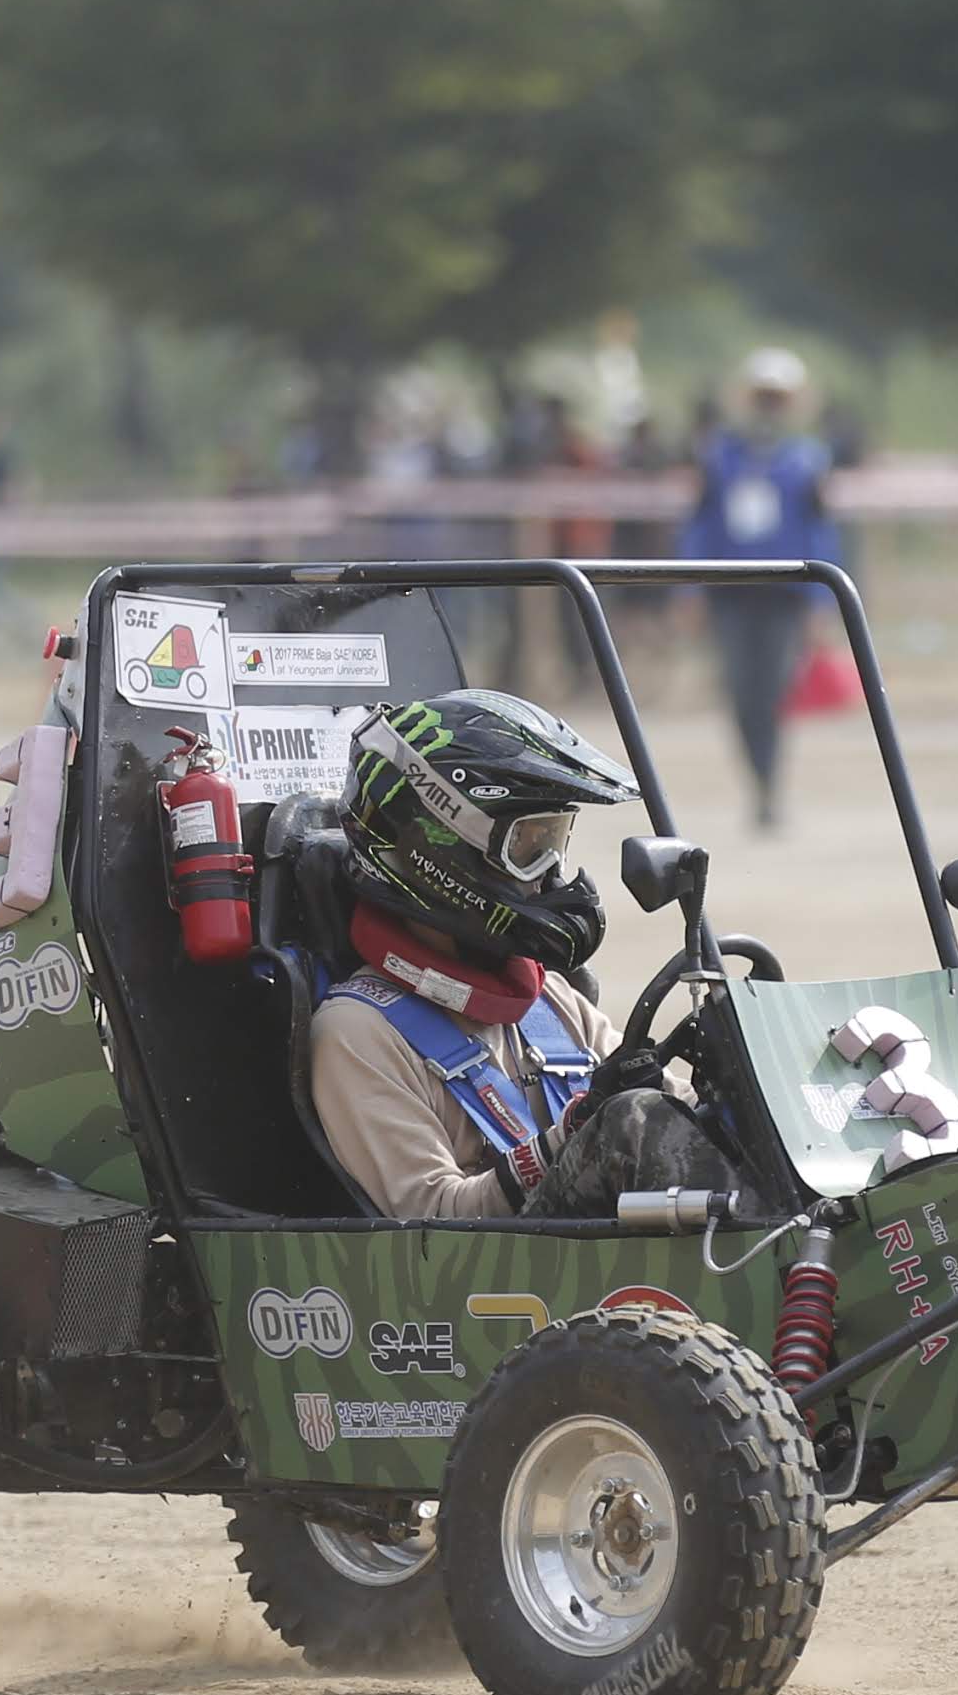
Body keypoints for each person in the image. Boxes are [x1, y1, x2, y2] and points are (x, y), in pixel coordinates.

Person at [306, 691, 740, 1219]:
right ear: (436, 852)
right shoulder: (357, 1031)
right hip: (484, 1286)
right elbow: (430, 1220)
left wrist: (726, 1088)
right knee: (627, 1121)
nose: (552, 875)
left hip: (608, 1273)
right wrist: (575, 1134)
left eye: (554, 842)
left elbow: (683, 1121)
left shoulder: (548, 998)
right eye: (529, 848)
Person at [690, 350, 843, 830]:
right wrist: (688, 587)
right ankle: (756, 780)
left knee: (774, 693)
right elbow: (699, 525)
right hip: (731, 593)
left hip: (784, 595)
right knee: (739, 691)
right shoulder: (719, 457)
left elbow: (820, 532)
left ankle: (769, 785)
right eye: (762, 397)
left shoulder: (807, 461)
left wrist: (821, 598)